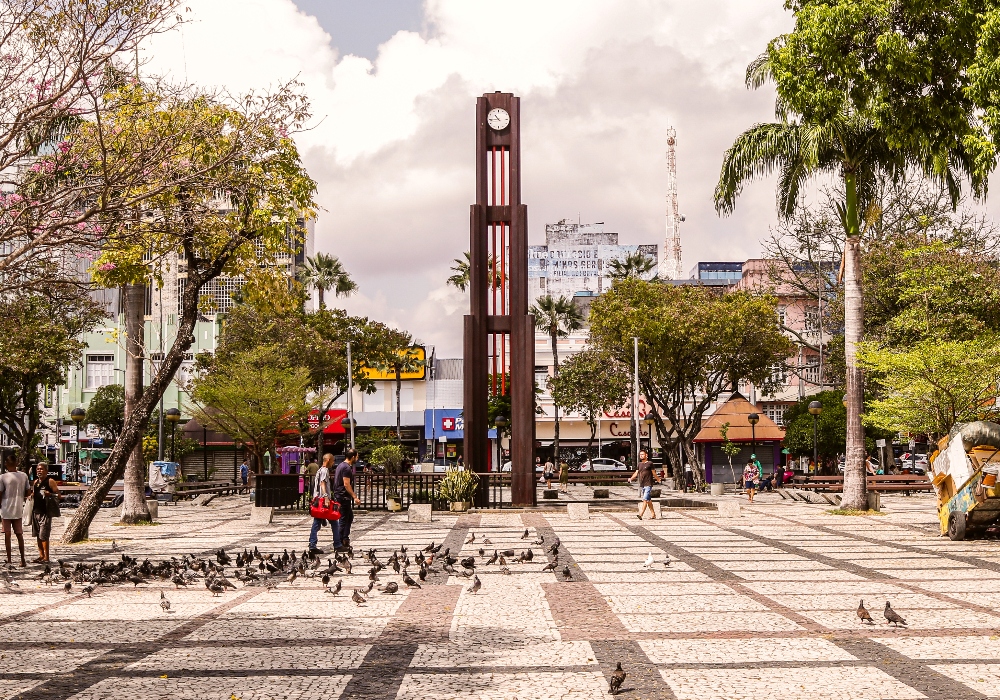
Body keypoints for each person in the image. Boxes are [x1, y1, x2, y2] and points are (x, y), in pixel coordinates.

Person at [0, 451, 30, 567]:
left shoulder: (3, 477)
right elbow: (28, 491)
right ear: (16, 463)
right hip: (18, 508)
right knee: (19, 534)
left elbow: (0, 493)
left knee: (7, 535)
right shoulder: (23, 476)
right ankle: (23, 559)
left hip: (6, 509)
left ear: (6, 464)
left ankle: (9, 560)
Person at [28, 461, 59, 563]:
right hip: (35, 511)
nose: (39, 471)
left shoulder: (50, 481)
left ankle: (47, 557)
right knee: (37, 535)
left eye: (41, 469)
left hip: (45, 512)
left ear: (46, 470)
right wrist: (31, 495)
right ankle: (41, 555)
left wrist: (49, 494)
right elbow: (34, 493)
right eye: (38, 469)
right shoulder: (36, 482)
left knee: (44, 535)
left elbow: (58, 495)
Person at [307, 454, 336, 554]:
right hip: (322, 501)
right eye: (332, 461)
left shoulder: (320, 470)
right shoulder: (324, 470)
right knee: (319, 523)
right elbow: (322, 483)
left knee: (324, 522)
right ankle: (313, 544)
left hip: (319, 500)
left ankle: (337, 543)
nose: (333, 463)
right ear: (328, 460)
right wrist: (326, 496)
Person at [333, 449, 361, 552]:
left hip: (340, 495)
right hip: (343, 496)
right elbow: (346, 484)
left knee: (349, 517)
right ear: (353, 457)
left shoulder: (341, 465)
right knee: (343, 519)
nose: (357, 459)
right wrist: (354, 497)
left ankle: (345, 538)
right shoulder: (346, 468)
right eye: (357, 457)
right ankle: (339, 543)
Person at [628, 449, 660, 519]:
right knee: (648, 500)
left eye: (642, 454)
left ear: (646, 455)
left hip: (648, 484)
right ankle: (653, 514)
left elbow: (654, 473)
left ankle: (641, 514)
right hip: (642, 484)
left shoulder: (650, 463)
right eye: (640, 455)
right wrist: (631, 478)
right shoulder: (639, 464)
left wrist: (658, 479)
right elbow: (636, 473)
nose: (641, 456)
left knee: (645, 499)